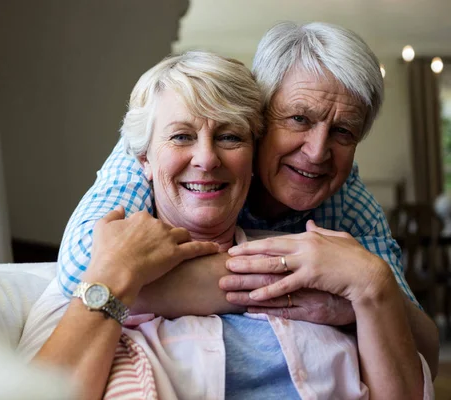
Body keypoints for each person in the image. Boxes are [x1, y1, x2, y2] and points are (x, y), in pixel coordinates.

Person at [22, 51, 432, 399]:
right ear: (143, 160)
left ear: (254, 158)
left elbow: (413, 371)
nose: (206, 158)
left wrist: (369, 284)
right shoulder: (107, 267)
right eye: (182, 136)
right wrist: (115, 276)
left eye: (230, 138)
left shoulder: (324, 263)